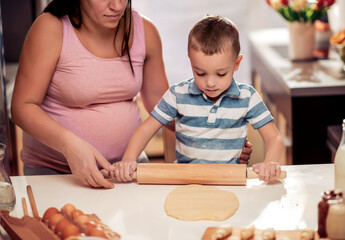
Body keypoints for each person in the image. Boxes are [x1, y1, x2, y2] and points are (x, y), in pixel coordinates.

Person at [11, 1, 252, 188]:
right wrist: (70, 145)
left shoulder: (145, 31)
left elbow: (161, 104)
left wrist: (216, 139)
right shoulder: (50, 28)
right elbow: (23, 106)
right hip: (57, 173)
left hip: (128, 169)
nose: (117, 6)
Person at [111, 15, 285, 183]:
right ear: (190, 61)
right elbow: (146, 130)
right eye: (200, 73)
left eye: (221, 73)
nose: (210, 82)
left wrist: (270, 162)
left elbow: (274, 138)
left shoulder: (248, 97)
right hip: (185, 181)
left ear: (236, 63)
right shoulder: (177, 95)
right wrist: (128, 158)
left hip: (230, 180)